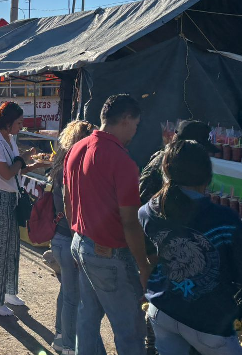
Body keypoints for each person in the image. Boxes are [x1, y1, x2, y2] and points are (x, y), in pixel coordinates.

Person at [139, 140, 242, 355]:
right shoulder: (224, 220)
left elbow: (151, 256)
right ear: (207, 176)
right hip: (208, 321)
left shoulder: (147, 212)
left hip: (162, 309)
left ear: (166, 170)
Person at [63, 94, 149, 355]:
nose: (135, 131)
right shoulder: (122, 161)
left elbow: (67, 201)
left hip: (81, 242)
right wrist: (144, 266)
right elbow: (130, 222)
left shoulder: (77, 148)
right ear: (125, 119)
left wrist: (77, 235)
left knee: (87, 318)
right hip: (107, 252)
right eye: (136, 124)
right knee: (130, 330)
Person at [0, 101, 45, 317]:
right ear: (8, 122)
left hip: (9, 197)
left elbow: (16, 171)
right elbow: (6, 172)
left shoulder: (9, 139)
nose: (20, 127)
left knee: (12, 247)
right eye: (18, 123)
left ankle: (7, 291)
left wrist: (34, 166)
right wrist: (22, 159)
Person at [49, 120, 101, 355]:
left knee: (66, 292)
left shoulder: (60, 163)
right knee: (73, 297)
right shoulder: (75, 166)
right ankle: (68, 345)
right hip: (69, 236)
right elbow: (72, 207)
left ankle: (61, 335)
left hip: (59, 237)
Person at [139, 120, 221, 205]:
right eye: (201, 150)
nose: (204, 155)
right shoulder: (162, 161)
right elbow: (143, 196)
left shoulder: (185, 164)